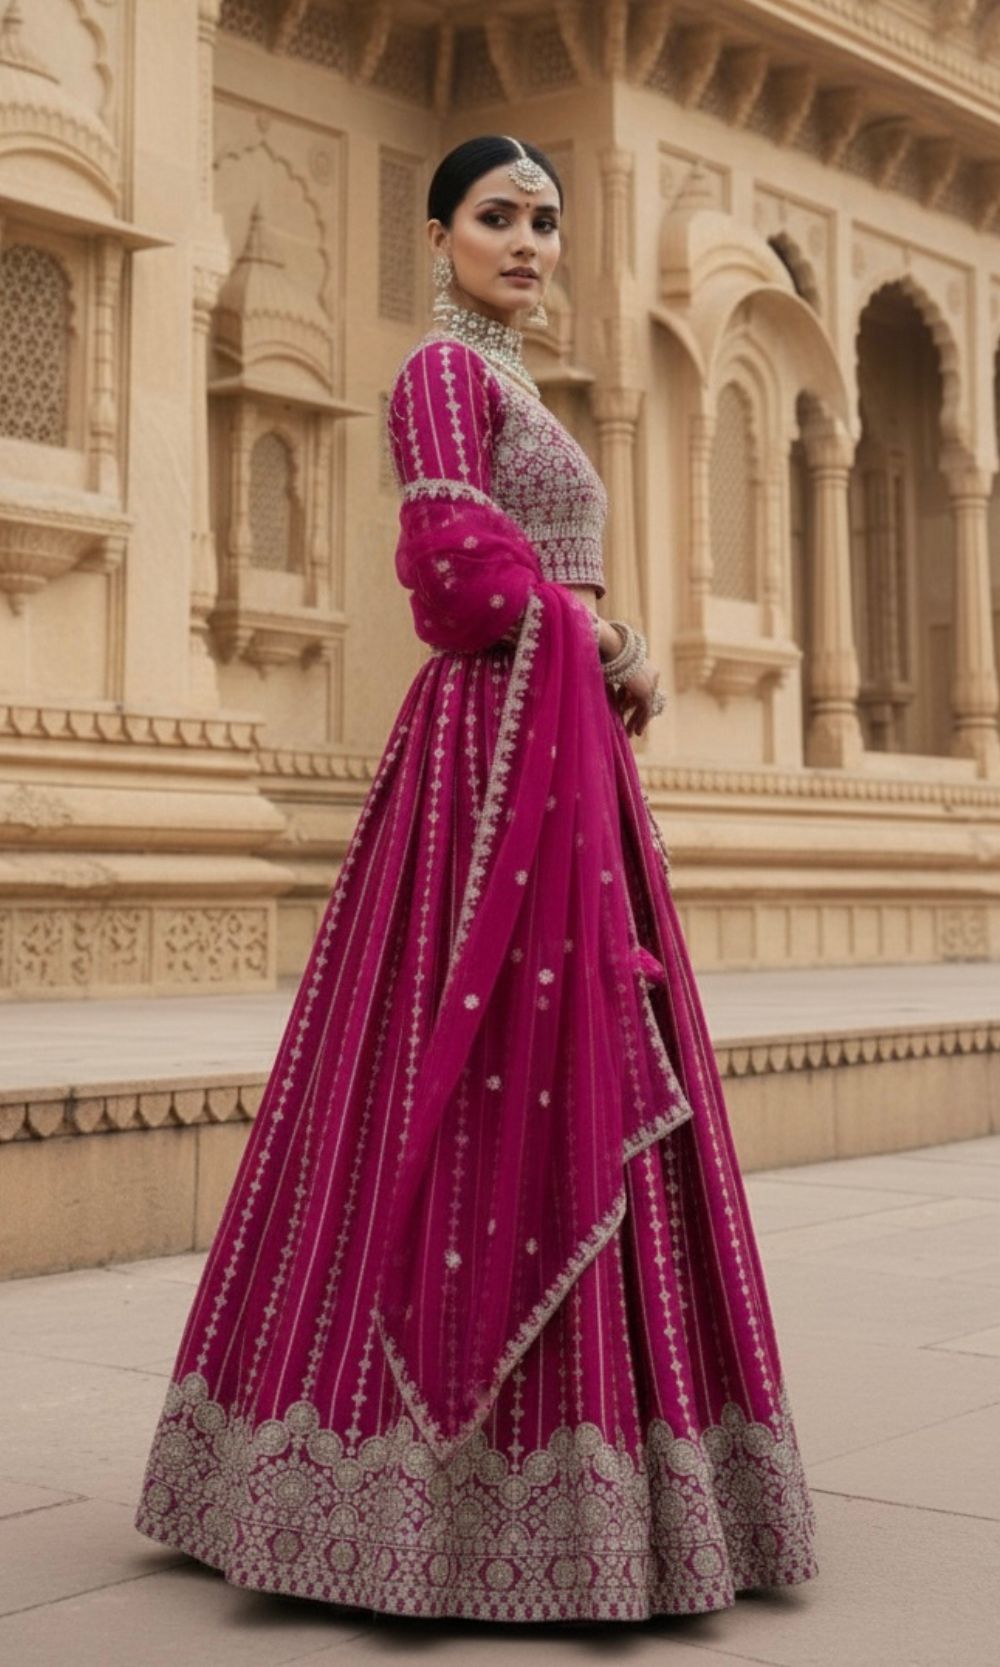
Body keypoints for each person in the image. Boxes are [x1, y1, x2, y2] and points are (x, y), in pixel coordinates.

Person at [135, 134, 818, 1623]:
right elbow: (451, 571)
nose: (527, 241)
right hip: (487, 768)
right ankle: (400, 1496)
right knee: (457, 1082)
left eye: (547, 221)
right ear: (437, 233)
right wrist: (611, 643)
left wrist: (603, 643)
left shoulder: (511, 383)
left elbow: (521, 577)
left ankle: (602, 1492)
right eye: (497, 217)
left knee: (562, 1070)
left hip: (549, 754)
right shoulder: (439, 376)